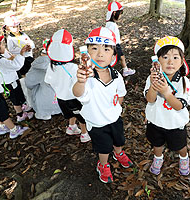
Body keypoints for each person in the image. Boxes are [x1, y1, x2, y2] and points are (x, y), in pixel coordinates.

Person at [73, 27, 133, 183]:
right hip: (96, 122)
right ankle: (103, 164)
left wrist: (117, 109)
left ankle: (118, 153)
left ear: (113, 54)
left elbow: (121, 93)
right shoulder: (86, 77)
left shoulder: (117, 75)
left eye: (106, 49)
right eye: (94, 48)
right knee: (104, 147)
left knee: (119, 139)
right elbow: (78, 93)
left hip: (114, 118)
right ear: (86, 52)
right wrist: (80, 81)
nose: (100, 53)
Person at [143, 36, 190, 176]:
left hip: (175, 124)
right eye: (165, 57)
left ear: (182, 62)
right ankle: (158, 158)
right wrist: (153, 85)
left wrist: (166, 93)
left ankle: (184, 158)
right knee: (156, 143)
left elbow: (179, 106)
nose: (170, 61)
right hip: (155, 121)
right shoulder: (151, 78)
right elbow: (150, 99)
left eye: (176, 57)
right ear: (157, 61)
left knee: (180, 146)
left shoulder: (183, 82)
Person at [44, 29, 90, 143]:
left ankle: (71, 127)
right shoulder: (72, 68)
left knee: (69, 113)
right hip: (73, 99)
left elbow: (48, 81)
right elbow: (80, 82)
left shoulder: (51, 66)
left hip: (60, 98)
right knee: (82, 117)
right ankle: (84, 134)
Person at [0, 33, 34, 122]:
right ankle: (20, 115)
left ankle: (22, 108)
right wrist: (21, 54)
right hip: (9, 83)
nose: (4, 46)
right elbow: (16, 65)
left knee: (17, 96)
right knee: (15, 99)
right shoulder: (0, 60)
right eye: (2, 44)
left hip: (9, 82)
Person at [3, 15, 34, 110]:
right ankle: (28, 101)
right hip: (21, 62)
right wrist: (22, 50)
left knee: (33, 77)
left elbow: (32, 43)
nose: (15, 28)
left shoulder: (23, 34)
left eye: (17, 26)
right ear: (8, 28)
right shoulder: (10, 38)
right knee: (24, 81)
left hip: (29, 59)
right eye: (13, 26)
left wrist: (29, 46)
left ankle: (35, 96)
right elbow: (11, 50)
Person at [25, 39, 61, 120]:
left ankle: (42, 112)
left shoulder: (37, 66)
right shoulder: (64, 62)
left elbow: (29, 83)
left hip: (45, 104)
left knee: (25, 82)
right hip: (63, 102)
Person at [105, 1, 136, 77]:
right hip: (114, 45)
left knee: (121, 57)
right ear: (115, 13)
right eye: (120, 13)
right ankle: (107, 72)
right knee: (112, 60)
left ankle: (125, 70)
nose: (120, 16)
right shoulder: (111, 25)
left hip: (115, 44)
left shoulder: (110, 24)